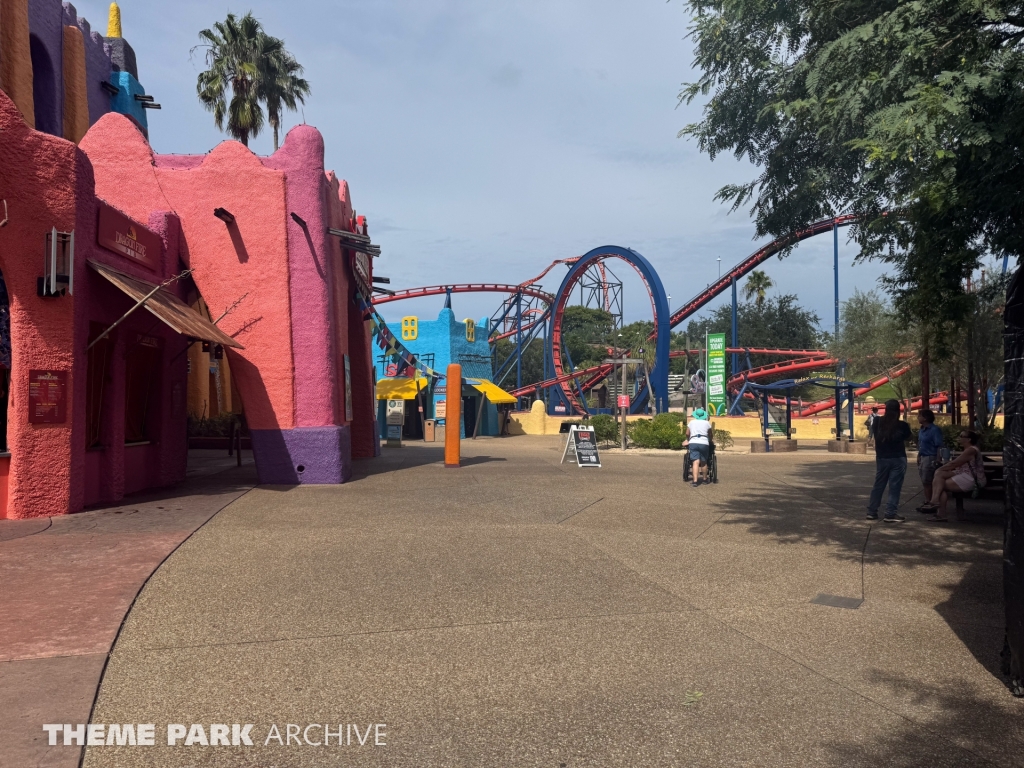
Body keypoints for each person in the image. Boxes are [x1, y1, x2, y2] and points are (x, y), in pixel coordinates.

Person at [919, 430, 985, 522]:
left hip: (971, 479)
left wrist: (940, 468)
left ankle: (938, 509)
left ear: (969, 439)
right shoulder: (968, 449)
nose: (959, 438)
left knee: (939, 485)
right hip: (963, 473)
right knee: (939, 475)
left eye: (962, 436)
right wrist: (940, 470)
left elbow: (954, 463)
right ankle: (935, 502)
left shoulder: (971, 450)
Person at [866, 399, 912, 522]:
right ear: (898, 410)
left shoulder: (877, 421)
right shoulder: (902, 425)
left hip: (882, 457)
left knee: (879, 484)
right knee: (895, 486)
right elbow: (908, 437)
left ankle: (872, 511)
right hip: (898, 457)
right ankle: (890, 513)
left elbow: (875, 433)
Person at [915, 409, 943, 512]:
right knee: (924, 480)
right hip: (923, 456)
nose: (918, 418)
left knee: (929, 480)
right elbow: (921, 444)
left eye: (919, 416)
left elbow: (939, 445)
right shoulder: (922, 429)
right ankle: (928, 500)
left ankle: (932, 502)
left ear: (925, 418)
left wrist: (938, 459)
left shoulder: (934, 430)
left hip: (931, 457)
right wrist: (919, 455)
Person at [684, 407, 712, 487]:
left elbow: (687, 433)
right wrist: (710, 440)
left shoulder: (691, 422)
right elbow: (710, 434)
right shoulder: (707, 423)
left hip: (693, 442)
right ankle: (704, 479)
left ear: (696, 415)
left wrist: (688, 439)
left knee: (695, 462)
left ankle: (695, 481)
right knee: (703, 462)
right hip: (704, 442)